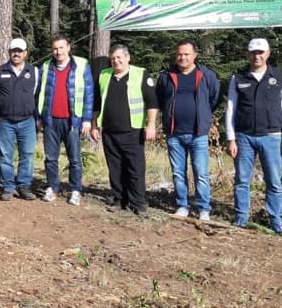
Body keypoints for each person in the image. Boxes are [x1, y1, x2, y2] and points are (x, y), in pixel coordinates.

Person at [225, 38, 282, 235]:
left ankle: (276, 220)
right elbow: (231, 109)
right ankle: (241, 217)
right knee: (242, 180)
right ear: (248, 54)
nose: (257, 56)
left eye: (260, 52)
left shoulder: (279, 76)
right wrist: (231, 138)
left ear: (268, 53)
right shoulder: (238, 78)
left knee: (273, 181)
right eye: (253, 52)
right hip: (244, 137)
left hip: (272, 136)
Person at [156, 40, 221, 221]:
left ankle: (203, 208)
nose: (182, 57)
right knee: (178, 172)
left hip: (198, 133)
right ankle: (182, 205)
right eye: (179, 54)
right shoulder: (167, 76)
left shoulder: (206, 75)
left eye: (186, 54)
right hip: (174, 133)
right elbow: (160, 99)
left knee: (201, 173)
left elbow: (214, 98)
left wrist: (204, 115)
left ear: (194, 56)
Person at [91, 44, 158, 217]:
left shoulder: (140, 74)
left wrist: (150, 125)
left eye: (120, 57)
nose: (116, 61)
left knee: (135, 168)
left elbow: (152, 102)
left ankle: (138, 203)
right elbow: (97, 104)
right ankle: (120, 199)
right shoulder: (104, 76)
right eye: (113, 58)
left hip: (133, 131)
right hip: (109, 131)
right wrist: (94, 125)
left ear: (128, 58)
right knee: (115, 168)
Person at [36, 35, 93, 204]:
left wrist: (87, 119)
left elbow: (89, 94)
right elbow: (38, 93)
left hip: (72, 121)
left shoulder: (81, 65)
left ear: (68, 48)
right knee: (50, 158)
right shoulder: (46, 67)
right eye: (55, 48)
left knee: (74, 159)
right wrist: (39, 117)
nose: (58, 51)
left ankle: (75, 190)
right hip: (50, 120)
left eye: (61, 47)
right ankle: (52, 188)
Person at [0, 38, 39, 201]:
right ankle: (7, 187)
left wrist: (38, 118)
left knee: (27, 154)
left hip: (27, 121)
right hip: (6, 121)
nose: (16, 54)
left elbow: (36, 95)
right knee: (5, 155)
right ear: (9, 52)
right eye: (14, 51)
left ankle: (24, 186)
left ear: (25, 53)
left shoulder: (33, 71)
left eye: (20, 51)